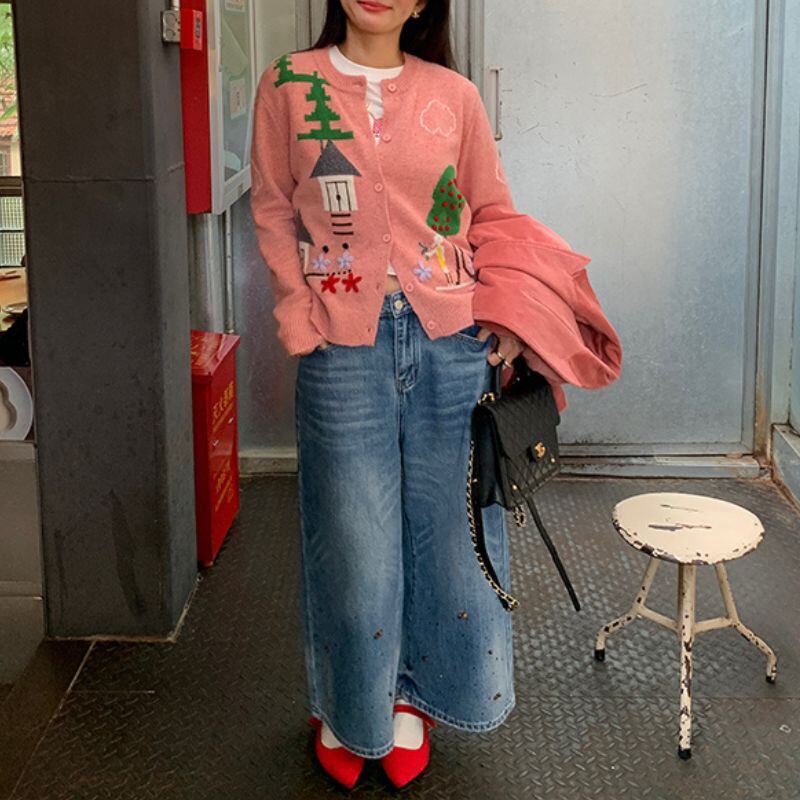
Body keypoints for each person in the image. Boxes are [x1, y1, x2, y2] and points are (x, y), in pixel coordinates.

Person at [250, 0, 594, 789]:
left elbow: (492, 213)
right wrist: (297, 314)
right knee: (355, 539)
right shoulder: (290, 84)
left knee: (448, 533)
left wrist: (504, 314)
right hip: (342, 342)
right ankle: (351, 709)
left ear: (421, 4)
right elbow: (271, 205)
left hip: (450, 340)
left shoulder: (454, 94)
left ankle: (417, 697)